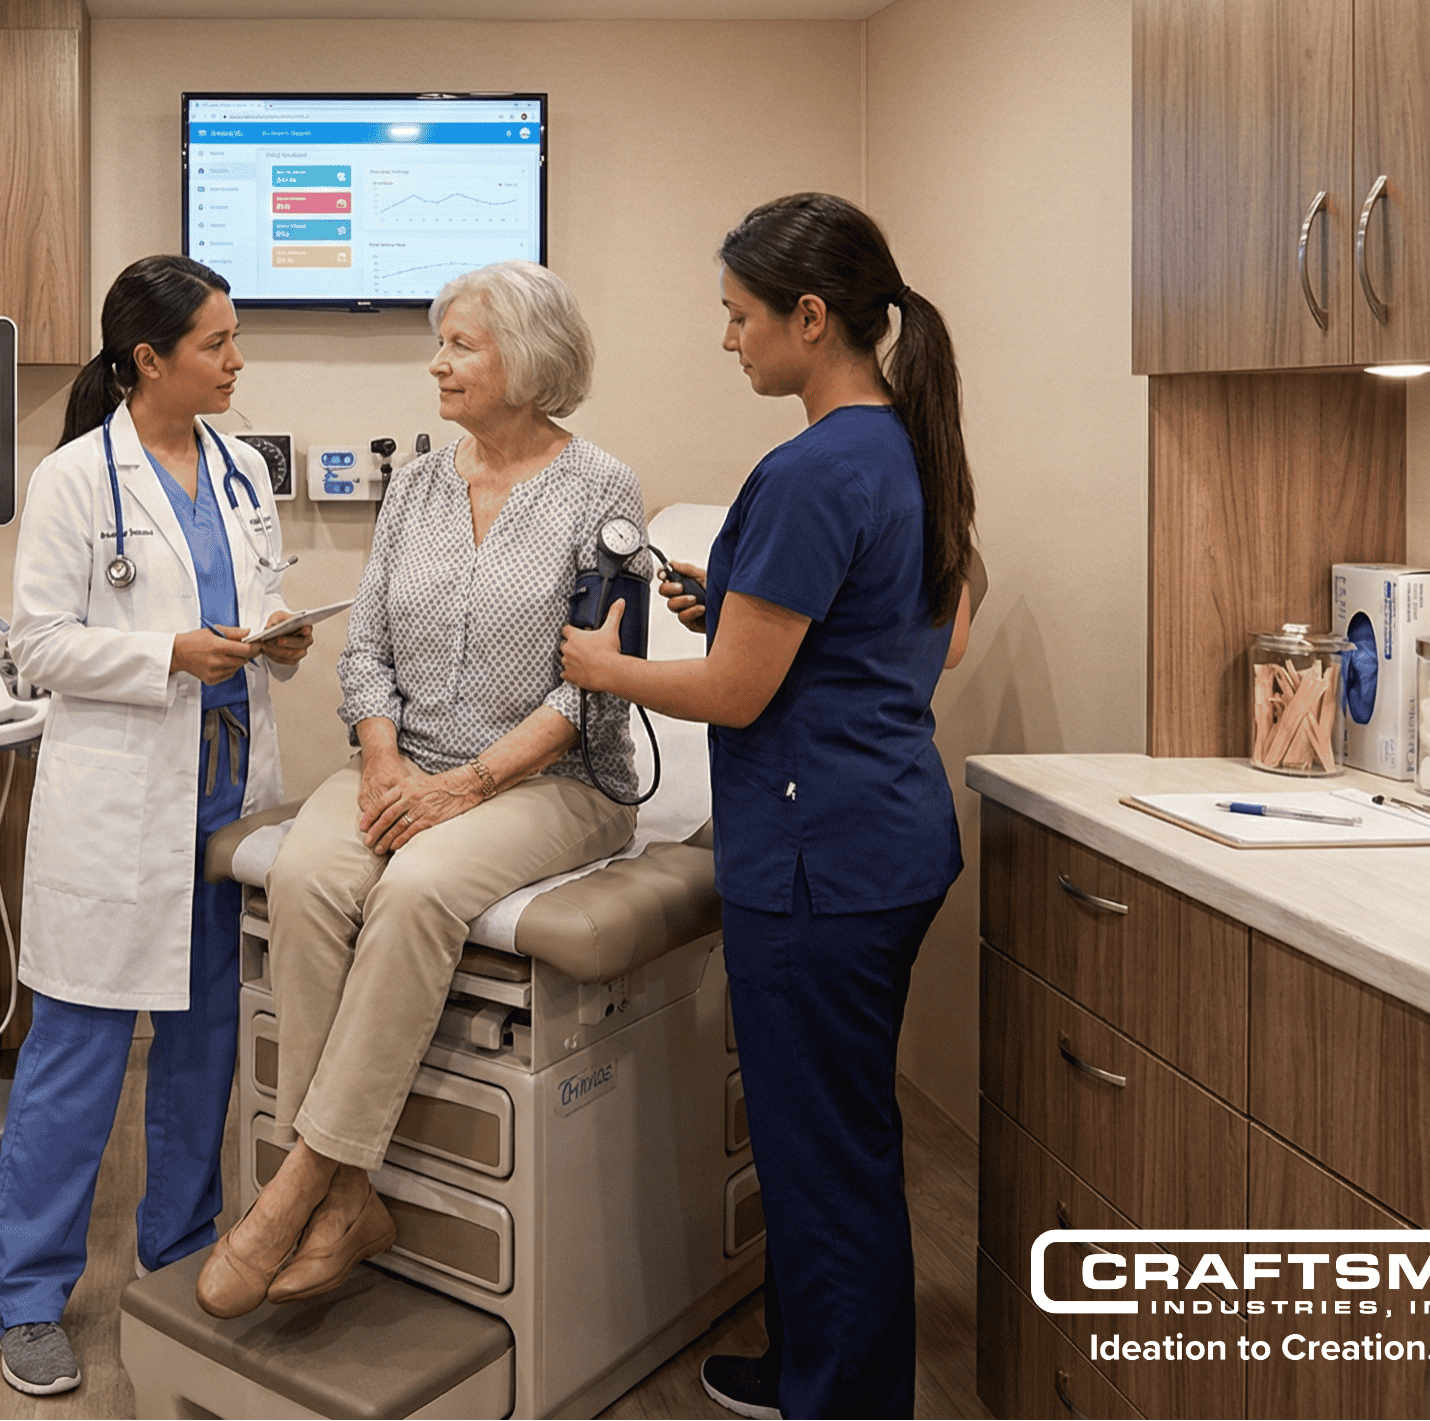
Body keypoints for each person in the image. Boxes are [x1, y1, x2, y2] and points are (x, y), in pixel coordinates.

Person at [561, 192, 979, 1419]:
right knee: (824, 1135)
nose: (725, 339)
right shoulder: (906, 441)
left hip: (819, 861)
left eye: (739, 317)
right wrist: (732, 598)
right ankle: (807, 1364)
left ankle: (843, 1400)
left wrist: (604, 668)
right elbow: (934, 637)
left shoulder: (807, 468)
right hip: (885, 832)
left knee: (825, 1152)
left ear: (809, 318)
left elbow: (739, 696)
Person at [196, 260, 644, 1320]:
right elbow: (368, 658)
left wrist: (470, 784)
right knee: (307, 874)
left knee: (413, 888)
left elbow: (594, 689)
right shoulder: (419, 485)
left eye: (460, 345)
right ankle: (352, 1196)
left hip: (555, 779)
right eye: (438, 342)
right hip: (408, 764)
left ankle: (300, 1180)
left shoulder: (600, 490)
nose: (435, 363)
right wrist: (384, 759)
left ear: (527, 363)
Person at [0, 254, 315, 1395]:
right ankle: (28, 1298)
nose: (236, 362)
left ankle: (178, 1259)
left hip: (226, 792)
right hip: (121, 800)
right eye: (216, 344)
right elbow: (38, 645)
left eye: (233, 340)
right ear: (148, 361)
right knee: (77, 1057)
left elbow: (256, 591)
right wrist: (165, 654)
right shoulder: (76, 479)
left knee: (203, 1047)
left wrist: (276, 633)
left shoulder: (237, 469)